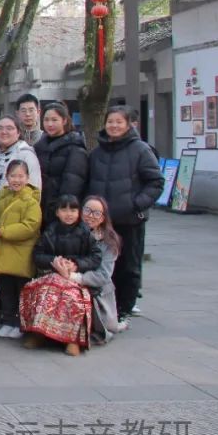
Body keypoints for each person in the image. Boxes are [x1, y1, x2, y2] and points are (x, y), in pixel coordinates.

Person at [86, 105, 163, 331]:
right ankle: (105, 307)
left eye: (119, 122)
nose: (114, 126)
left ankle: (123, 310)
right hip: (101, 221)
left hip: (129, 220)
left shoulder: (140, 150)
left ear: (129, 124)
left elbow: (155, 182)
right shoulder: (97, 152)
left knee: (128, 266)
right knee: (101, 264)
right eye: (110, 121)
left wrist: (136, 204)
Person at [20, 195, 102, 356]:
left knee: (71, 296)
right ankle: (39, 334)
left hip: (77, 279)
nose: (68, 214)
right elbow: (38, 255)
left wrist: (76, 264)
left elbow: (95, 257)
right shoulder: (50, 231)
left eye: (73, 209)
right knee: (41, 291)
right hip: (52, 274)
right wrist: (54, 261)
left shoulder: (85, 232)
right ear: (57, 212)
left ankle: (71, 340)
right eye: (64, 209)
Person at [0, 160, 42, 339]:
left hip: (21, 253)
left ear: (27, 178)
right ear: (7, 177)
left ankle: (19, 322)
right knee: (5, 289)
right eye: (13, 176)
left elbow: (30, 226)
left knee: (20, 291)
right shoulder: (2, 196)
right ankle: (7, 319)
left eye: (20, 176)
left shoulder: (31, 201)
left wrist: (2, 231)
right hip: (3, 251)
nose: (16, 180)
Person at [33, 102, 88, 226]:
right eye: (46, 120)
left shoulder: (75, 147)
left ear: (64, 120)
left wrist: (61, 208)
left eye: (54, 120)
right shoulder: (39, 146)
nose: (50, 124)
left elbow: (73, 183)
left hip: (61, 211)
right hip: (39, 207)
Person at [81, 196, 121, 344]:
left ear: (103, 217)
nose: (91, 216)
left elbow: (103, 275)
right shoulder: (70, 231)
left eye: (97, 213)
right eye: (87, 210)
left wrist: (78, 278)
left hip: (96, 288)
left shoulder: (109, 241)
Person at [0, 115, 42, 193]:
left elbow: (35, 187)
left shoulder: (26, 154)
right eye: (0, 128)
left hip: (15, 204)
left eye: (9, 128)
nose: (4, 132)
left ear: (18, 132)